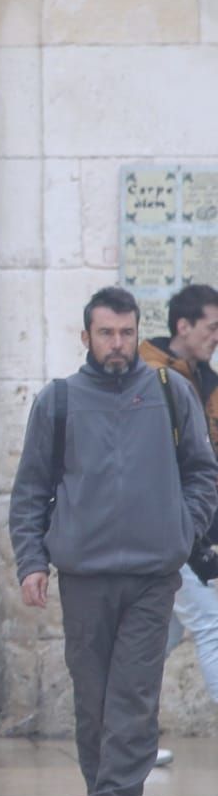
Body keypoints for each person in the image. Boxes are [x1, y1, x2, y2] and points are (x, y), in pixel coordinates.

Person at [9, 286, 218, 796]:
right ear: (87, 337)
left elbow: (203, 472)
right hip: (84, 576)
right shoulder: (58, 401)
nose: (118, 344)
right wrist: (32, 561)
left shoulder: (171, 392)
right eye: (107, 333)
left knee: (132, 697)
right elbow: (31, 490)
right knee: (94, 702)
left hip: (154, 574)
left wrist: (184, 527)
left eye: (127, 333)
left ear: (138, 333)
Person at [141, 284, 218, 706]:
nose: (217, 337)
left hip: (191, 527)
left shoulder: (204, 380)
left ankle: (124, 730)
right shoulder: (152, 378)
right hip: (165, 529)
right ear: (183, 326)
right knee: (210, 624)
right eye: (212, 327)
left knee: (161, 638)